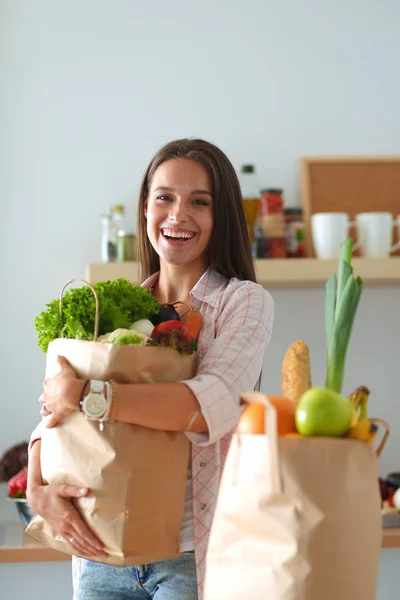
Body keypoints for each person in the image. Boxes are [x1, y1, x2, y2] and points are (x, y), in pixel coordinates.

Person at [27, 138, 274, 600]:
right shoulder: (117, 308)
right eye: (165, 197)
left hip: (189, 557)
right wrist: (38, 489)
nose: (178, 215)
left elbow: (208, 404)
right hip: (100, 548)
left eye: (199, 202)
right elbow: (53, 409)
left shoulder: (242, 303)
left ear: (221, 218)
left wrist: (88, 394)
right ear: (145, 208)